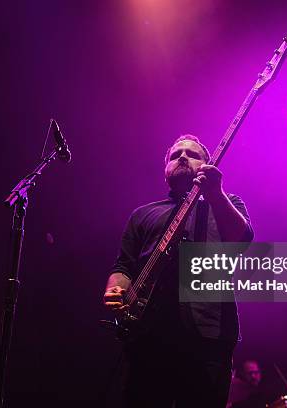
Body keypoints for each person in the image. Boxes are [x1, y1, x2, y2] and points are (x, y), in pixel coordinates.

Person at [103, 135, 254, 407]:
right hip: (147, 338)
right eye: (175, 155)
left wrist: (215, 194)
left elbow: (241, 240)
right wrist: (116, 289)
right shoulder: (143, 214)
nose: (182, 157)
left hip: (208, 336)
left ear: (209, 166)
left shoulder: (226, 202)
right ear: (165, 171)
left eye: (192, 154)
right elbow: (123, 266)